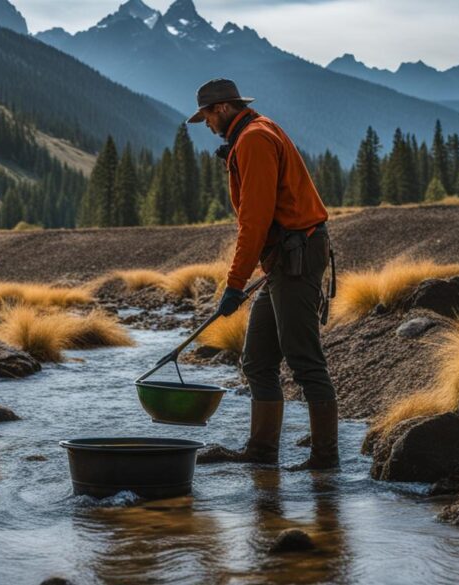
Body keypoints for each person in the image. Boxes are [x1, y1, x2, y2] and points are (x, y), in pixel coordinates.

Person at [189, 78, 338, 470]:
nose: (205, 124)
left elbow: (254, 222)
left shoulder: (253, 140)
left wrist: (234, 284)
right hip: (285, 258)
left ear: (221, 109)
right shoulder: (256, 131)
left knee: (305, 361)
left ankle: (325, 460)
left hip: (296, 256)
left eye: (205, 116)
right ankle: (261, 452)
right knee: (257, 360)